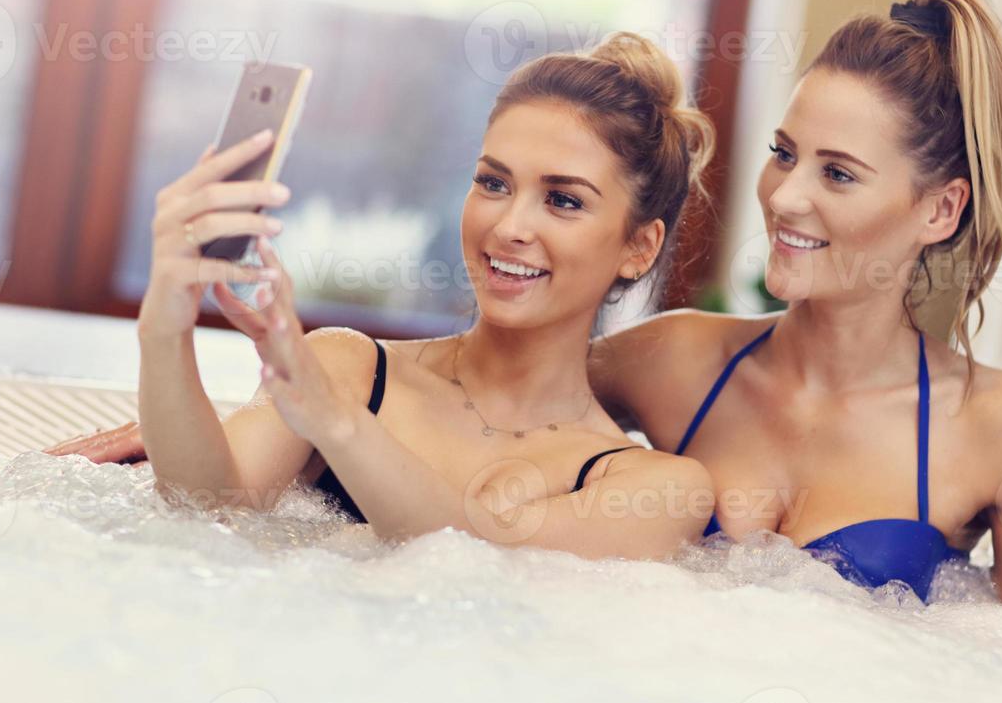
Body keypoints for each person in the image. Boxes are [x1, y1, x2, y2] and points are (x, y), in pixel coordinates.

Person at [70, 32, 716, 561]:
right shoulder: (349, 370)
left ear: (640, 246)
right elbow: (203, 516)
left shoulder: (654, 488)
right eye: (493, 184)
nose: (509, 226)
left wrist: (335, 422)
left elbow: (479, 575)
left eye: (563, 200)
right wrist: (164, 329)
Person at [588, 0, 1002, 606]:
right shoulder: (672, 357)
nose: (785, 197)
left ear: (940, 210)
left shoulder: (1001, 426)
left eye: (839, 174)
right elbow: (488, 391)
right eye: (784, 153)